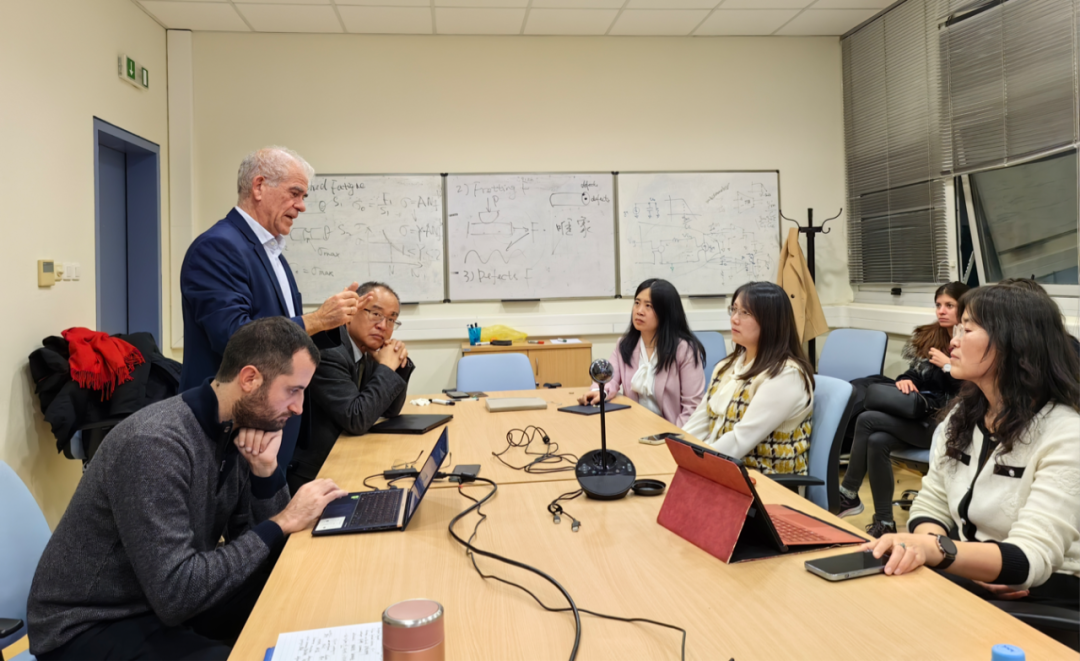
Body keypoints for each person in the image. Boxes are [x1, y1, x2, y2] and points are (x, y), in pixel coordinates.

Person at [27, 317, 349, 661]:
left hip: (160, 600)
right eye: (293, 391)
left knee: (289, 590)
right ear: (250, 379)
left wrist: (265, 472)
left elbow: (261, 551)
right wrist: (281, 521)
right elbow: (177, 593)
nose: (298, 408)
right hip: (88, 624)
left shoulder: (237, 428)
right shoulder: (154, 444)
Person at [862, 285, 1080, 610]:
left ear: (1012, 342)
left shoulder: (1065, 433)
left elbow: (1030, 558)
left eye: (967, 329)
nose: (953, 340)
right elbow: (930, 504)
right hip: (969, 571)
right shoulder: (963, 416)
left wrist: (939, 551)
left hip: (1043, 592)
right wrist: (942, 551)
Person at [179, 146, 362, 469]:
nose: (301, 206)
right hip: (236, 431)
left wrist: (332, 322)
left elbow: (284, 331)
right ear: (259, 186)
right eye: (295, 193)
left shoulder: (272, 251)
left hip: (270, 427)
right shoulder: (217, 247)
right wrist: (317, 319)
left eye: (303, 196)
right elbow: (234, 337)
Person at [838, 281, 970, 536]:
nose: (941, 311)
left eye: (949, 305)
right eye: (938, 305)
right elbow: (914, 374)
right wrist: (904, 381)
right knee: (876, 440)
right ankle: (884, 522)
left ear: (964, 307)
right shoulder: (931, 337)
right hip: (921, 415)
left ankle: (849, 493)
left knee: (866, 420)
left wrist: (948, 366)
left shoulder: (971, 341)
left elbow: (969, 392)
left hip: (948, 424)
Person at [288, 282, 415, 492]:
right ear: (351, 312)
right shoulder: (329, 351)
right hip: (316, 472)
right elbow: (357, 419)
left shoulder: (366, 347)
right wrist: (386, 367)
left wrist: (397, 365)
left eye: (391, 319)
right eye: (376, 314)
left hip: (346, 454)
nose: (383, 326)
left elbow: (390, 410)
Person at [682, 281, 815, 474]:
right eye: (734, 310)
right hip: (723, 468)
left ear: (770, 321)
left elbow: (739, 440)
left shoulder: (786, 375)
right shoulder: (726, 367)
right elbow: (699, 423)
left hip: (764, 480)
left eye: (745, 313)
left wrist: (695, 464)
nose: (734, 319)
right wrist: (675, 451)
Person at [577, 279, 705, 426]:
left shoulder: (684, 350)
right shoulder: (625, 345)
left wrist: (673, 436)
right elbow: (609, 379)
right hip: (635, 428)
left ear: (666, 312)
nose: (639, 311)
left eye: (648, 306)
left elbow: (693, 408)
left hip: (672, 432)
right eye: (637, 303)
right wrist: (598, 391)